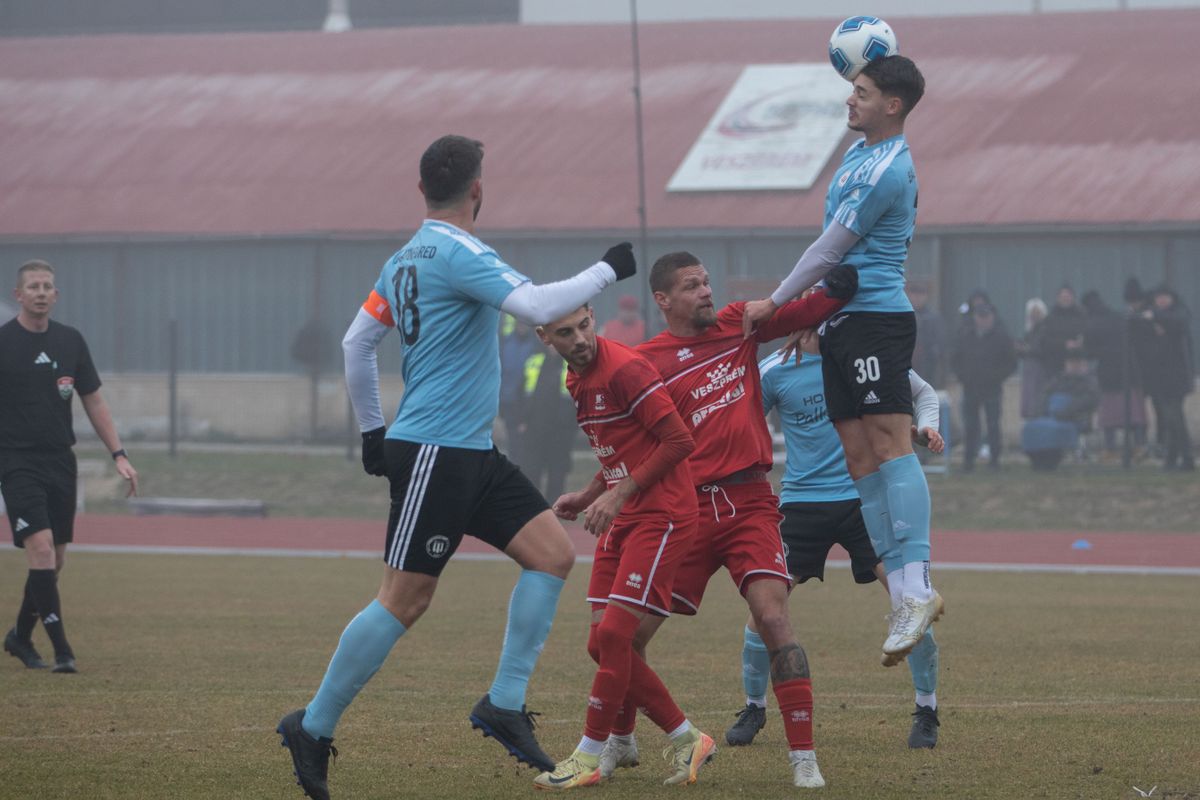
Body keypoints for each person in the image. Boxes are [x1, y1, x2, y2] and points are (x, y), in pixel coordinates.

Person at [276, 135, 639, 800]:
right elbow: (535, 306)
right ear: (477, 189)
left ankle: (503, 703)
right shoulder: (459, 250)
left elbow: (358, 344)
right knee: (404, 599)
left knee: (553, 555)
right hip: (437, 450)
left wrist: (370, 433)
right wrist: (608, 268)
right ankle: (314, 725)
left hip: (470, 449)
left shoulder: (404, 258)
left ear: (423, 190)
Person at [601, 251, 856, 790]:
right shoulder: (645, 363)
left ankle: (804, 759)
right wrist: (602, 493)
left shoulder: (737, 324)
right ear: (663, 300)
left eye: (707, 282)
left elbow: (806, 308)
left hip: (750, 504)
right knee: (622, 637)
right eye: (692, 286)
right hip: (683, 511)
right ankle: (621, 740)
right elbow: (621, 436)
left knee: (774, 618)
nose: (706, 292)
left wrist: (842, 279)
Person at [741, 55, 943, 663]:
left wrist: (775, 304)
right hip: (840, 325)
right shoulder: (858, 156)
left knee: (891, 447)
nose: (848, 99)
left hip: (877, 320)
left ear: (893, 105)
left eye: (861, 90)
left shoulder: (887, 169)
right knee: (860, 457)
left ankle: (915, 587)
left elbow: (831, 248)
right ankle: (904, 597)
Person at [726, 324, 945, 751]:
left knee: (911, 603)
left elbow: (924, 393)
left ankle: (927, 709)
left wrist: (925, 426)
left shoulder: (859, 358)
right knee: (764, 609)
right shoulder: (774, 370)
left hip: (864, 499)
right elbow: (741, 422)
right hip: (802, 506)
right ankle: (754, 706)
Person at [532, 305, 711, 789]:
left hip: (663, 514)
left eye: (585, 326)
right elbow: (623, 445)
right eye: (566, 333)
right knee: (600, 642)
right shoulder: (576, 377)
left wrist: (618, 492)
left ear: (593, 317)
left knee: (614, 636)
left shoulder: (626, 369)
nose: (580, 339)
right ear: (545, 336)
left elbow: (678, 440)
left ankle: (589, 755)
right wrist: (591, 493)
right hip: (624, 513)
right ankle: (686, 736)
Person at [1, 260, 139, 674]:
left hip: (61, 461)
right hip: (15, 460)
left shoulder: (70, 341)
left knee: (55, 560)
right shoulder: (4, 342)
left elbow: (93, 400)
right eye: (33, 286)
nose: (41, 292)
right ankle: (63, 651)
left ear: (55, 295)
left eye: (47, 286)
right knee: (40, 549)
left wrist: (119, 454)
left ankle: (20, 638)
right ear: (18, 295)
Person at [1131, 286, 1194, 471]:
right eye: (1159, 297)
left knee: (1174, 416)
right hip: (1159, 376)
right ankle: (1172, 458)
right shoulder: (1149, 317)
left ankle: (1186, 457)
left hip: (1177, 376)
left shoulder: (1178, 313)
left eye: (1165, 297)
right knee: (1168, 418)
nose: (1162, 301)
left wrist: (1156, 318)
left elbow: (1179, 322)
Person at [1081, 290, 1147, 462]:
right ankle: (1140, 446)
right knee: (1134, 412)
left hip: (1108, 374)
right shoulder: (1119, 317)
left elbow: (1089, 352)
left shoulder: (1091, 323)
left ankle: (1110, 449)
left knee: (1109, 414)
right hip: (1130, 370)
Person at [950, 302, 1017, 471]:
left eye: (986, 317)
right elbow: (955, 360)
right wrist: (963, 377)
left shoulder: (1002, 337)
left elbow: (1011, 363)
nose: (983, 320)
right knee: (971, 426)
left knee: (993, 425)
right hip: (970, 388)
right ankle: (968, 461)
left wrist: (997, 377)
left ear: (992, 318)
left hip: (992, 389)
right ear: (975, 318)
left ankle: (994, 460)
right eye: (980, 317)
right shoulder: (965, 336)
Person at [513, 342, 577, 501]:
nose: (554, 348)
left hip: (561, 429)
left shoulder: (571, 365)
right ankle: (533, 504)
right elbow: (521, 392)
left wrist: (572, 425)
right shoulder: (534, 362)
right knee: (532, 467)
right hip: (535, 426)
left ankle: (555, 506)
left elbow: (578, 397)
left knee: (557, 470)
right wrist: (522, 420)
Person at [907, 278, 944, 388]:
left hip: (928, 373)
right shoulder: (901, 317)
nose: (917, 297)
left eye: (921, 294)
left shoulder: (934, 319)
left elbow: (941, 349)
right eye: (914, 293)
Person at [1016, 298, 1050, 420]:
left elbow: (1044, 350)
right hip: (1029, 372)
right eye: (1032, 313)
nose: (1034, 316)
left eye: (1037, 313)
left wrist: (1028, 350)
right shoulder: (1029, 331)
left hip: (1041, 372)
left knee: (1038, 400)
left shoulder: (1046, 330)